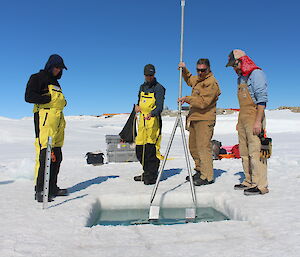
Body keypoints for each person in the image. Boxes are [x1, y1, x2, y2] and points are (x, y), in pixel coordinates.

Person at [25, 54, 69, 202]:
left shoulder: (56, 83)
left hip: (57, 120)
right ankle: (40, 191)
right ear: (50, 66)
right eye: (56, 67)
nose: (58, 70)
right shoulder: (37, 78)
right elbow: (29, 96)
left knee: (57, 155)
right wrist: (47, 100)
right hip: (44, 119)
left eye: (60, 68)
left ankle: (52, 188)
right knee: (45, 155)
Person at [226, 49, 269, 195]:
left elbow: (261, 100)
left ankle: (260, 184)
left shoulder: (256, 74)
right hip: (243, 118)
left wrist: (258, 122)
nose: (233, 68)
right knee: (244, 151)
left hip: (254, 116)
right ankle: (249, 180)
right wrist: (240, 121)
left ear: (241, 61)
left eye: (234, 65)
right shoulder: (240, 78)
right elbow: (242, 104)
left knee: (256, 151)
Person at [178, 59, 221, 186]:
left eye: (203, 70)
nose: (200, 72)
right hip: (194, 118)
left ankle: (207, 176)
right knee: (194, 147)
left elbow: (203, 102)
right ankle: (200, 170)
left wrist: (187, 99)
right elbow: (190, 79)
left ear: (208, 69)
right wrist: (184, 69)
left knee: (203, 148)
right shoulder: (198, 79)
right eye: (198, 70)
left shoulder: (211, 83)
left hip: (205, 119)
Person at [134, 64, 166, 185]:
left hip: (153, 122)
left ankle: (151, 175)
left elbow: (160, 107)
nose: (149, 77)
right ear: (144, 75)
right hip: (142, 122)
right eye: (147, 75)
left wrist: (152, 114)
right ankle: (146, 172)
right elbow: (139, 102)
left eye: (151, 75)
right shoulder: (142, 87)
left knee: (150, 150)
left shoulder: (159, 88)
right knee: (139, 150)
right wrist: (137, 108)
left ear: (154, 75)